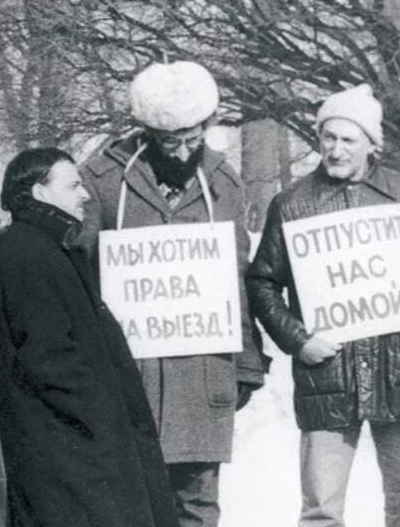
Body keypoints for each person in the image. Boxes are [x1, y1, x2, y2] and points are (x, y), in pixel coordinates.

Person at [246, 84, 400, 527]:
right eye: (328, 137)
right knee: (321, 512)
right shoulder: (293, 205)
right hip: (327, 378)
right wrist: (298, 340)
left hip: (398, 372)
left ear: (371, 143)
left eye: (348, 139)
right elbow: (262, 282)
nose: (336, 149)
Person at [80, 60, 267, 527]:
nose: (183, 152)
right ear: (147, 133)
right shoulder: (103, 181)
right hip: (131, 373)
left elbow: (236, 275)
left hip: (203, 372)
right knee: (133, 500)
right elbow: (79, 271)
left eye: (193, 139)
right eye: (170, 142)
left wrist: (246, 362)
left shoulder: (224, 183)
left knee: (198, 502)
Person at [0, 148, 178, 527]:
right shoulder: (29, 253)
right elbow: (49, 359)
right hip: (70, 449)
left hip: (76, 445)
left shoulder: (46, 246)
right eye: (73, 185)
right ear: (39, 192)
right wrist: (105, 415)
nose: (86, 195)